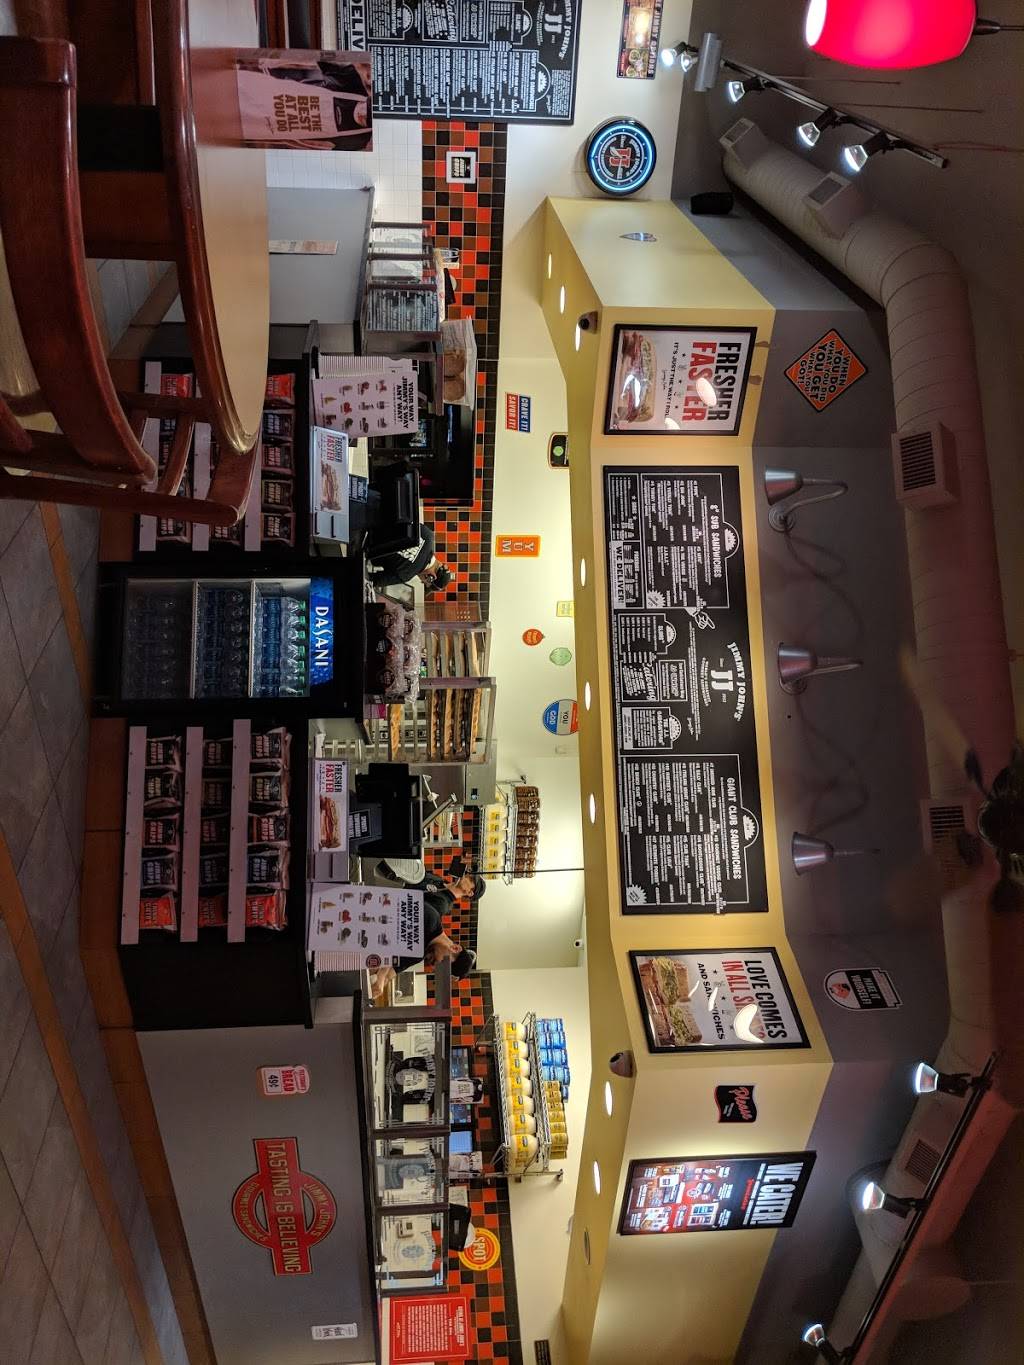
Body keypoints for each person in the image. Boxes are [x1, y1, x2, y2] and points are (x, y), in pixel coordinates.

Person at [369, 869, 484, 1002]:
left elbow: (391, 971)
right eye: (442, 964)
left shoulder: (419, 955)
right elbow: (389, 929)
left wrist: (378, 986)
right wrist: (381, 974)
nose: (435, 966)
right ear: (455, 948)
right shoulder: (430, 919)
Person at [369, 521, 453, 594]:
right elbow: (372, 580)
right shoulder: (406, 575)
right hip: (365, 544)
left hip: (372, 520)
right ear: (431, 577)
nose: (421, 581)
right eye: (424, 582)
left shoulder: (428, 534)